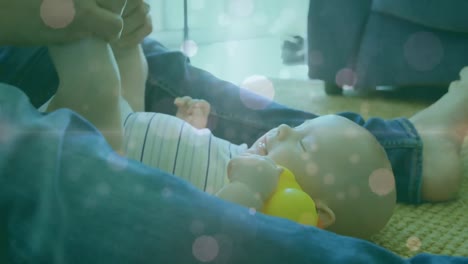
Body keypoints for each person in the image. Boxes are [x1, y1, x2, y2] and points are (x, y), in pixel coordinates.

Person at [0, 1, 467, 263]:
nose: (284, 127)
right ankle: (413, 149)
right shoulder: (259, 166)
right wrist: (190, 131)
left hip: (111, 142)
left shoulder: (265, 206)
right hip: (126, 130)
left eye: (302, 139)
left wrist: (244, 183)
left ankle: (78, 32)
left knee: (108, 69)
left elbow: (217, 223)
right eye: (296, 127)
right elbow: (192, 160)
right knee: (121, 66)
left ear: (314, 216)